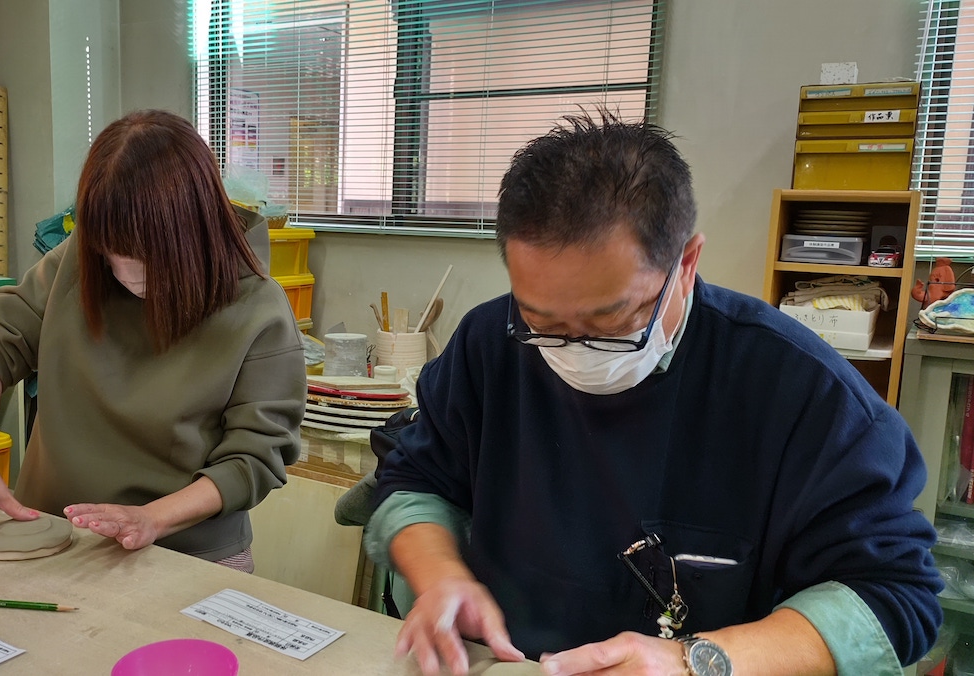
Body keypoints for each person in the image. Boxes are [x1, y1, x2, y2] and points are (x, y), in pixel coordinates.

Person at [365, 112, 943, 676]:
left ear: (686, 263)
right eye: (541, 320)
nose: (572, 348)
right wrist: (441, 575)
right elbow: (415, 479)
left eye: (611, 320)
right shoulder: (490, 344)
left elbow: (894, 597)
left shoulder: (802, 392)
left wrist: (696, 661)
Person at [0, 110, 306, 573]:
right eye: (111, 256)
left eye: (147, 258)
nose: (126, 276)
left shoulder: (258, 308)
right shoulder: (81, 256)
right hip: (50, 533)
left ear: (195, 232)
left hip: (188, 556)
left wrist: (151, 518)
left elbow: (255, 459)